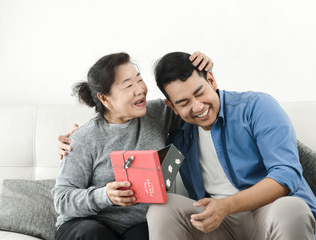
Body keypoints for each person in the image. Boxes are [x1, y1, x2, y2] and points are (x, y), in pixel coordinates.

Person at [146, 51, 316, 239]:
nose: (198, 107)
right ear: (172, 107)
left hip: (269, 214)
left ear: (211, 80)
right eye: (184, 102)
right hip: (217, 226)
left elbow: (287, 174)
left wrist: (226, 206)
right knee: (161, 208)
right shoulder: (179, 135)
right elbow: (125, 113)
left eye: (200, 93)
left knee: (291, 207)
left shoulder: (256, 107)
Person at [52, 51, 213, 240]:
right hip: (86, 225)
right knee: (94, 235)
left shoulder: (159, 113)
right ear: (104, 99)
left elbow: (201, 107)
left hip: (137, 225)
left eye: (139, 80)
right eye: (128, 85)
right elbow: (62, 199)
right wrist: (105, 196)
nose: (140, 89)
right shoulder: (84, 138)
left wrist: (204, 73)